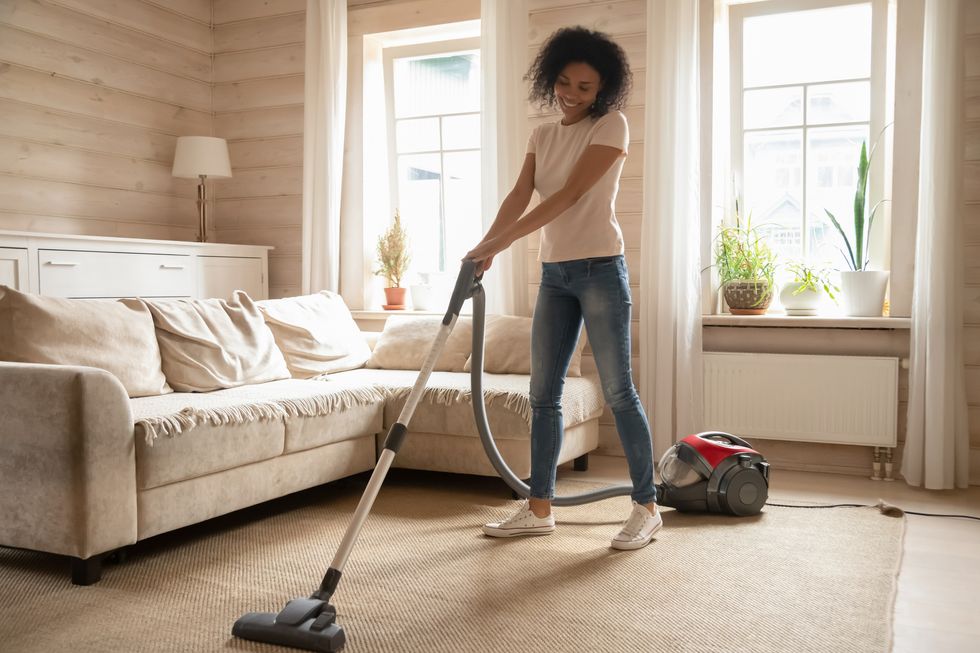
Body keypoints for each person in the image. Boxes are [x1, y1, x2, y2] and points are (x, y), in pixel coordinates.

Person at [465, 26, 659, 550]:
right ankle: (539, 509)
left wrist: (500, 245)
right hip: (555, 274)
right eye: (566, 82)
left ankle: (646, 507)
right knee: (543, 394)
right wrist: (482, 247)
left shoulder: (611, 125)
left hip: (600, 268)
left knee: (619, 391)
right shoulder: (542, 135)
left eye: (586, 87)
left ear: (604, 91)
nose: (573, 94)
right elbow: (519, 195)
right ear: (553, 78)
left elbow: (572, 195)